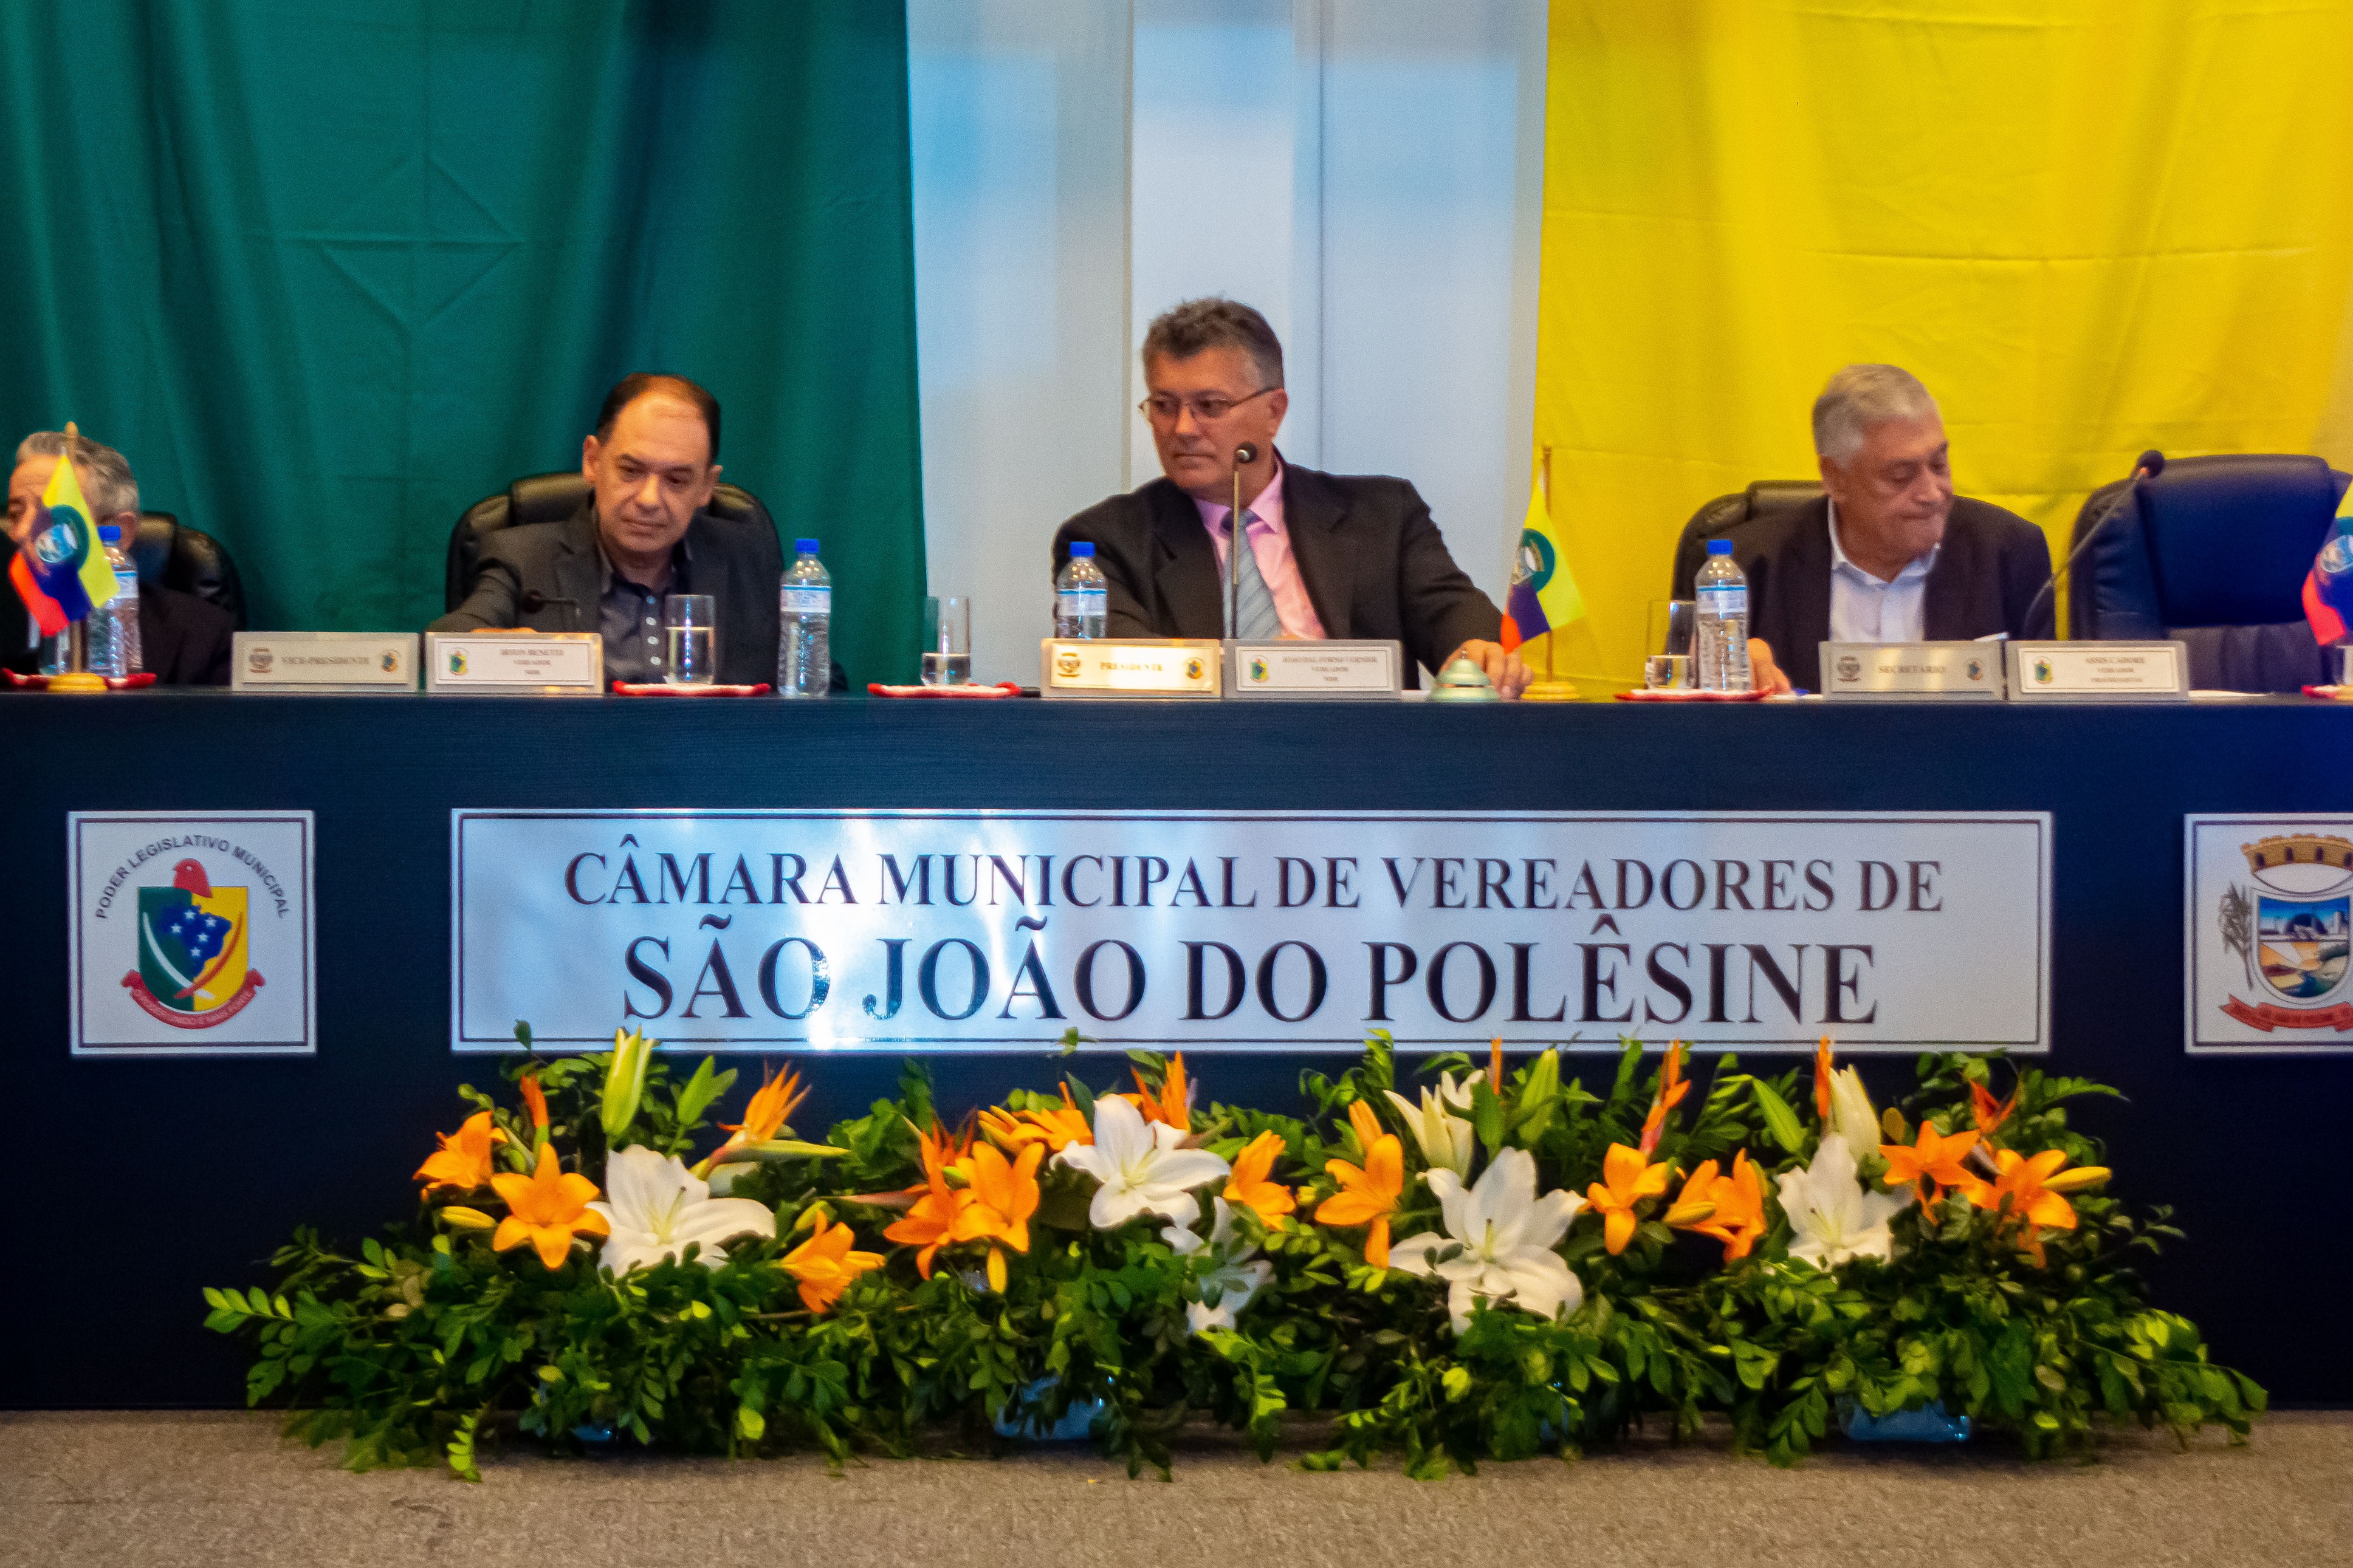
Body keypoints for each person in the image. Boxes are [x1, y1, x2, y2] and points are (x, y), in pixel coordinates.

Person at [1051, 298, 1527, 695]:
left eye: (1210, 406)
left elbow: (1454, 615)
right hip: (1199, 763)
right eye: (1164, 405)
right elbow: (1117, 667)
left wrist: (1478, 649)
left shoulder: (1383, 515)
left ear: (1273, 411)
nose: (1183, 428)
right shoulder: (1106, 541)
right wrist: (1264, 670)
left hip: (1362, 761)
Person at [433, 374, 825, 688]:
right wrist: (503, 650)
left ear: (707, 486)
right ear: (593, 461)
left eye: (676, 480)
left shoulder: (746, 557)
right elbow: (448, 642)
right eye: (631, 471)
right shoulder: (522, 556)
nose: (650, 499)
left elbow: (814, 685)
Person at [1711, 365, 2054, 693]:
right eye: (1901, 476)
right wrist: (1725, 671)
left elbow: (2042, 715)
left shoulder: (2010, 552)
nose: (1932, 494)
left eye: (1939, 465)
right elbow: (1697, 713)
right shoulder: (1743, 568)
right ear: (1835, 479)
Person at [5, 430, 234, 685]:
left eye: (51, 514)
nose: (22, 532)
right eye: (15, 514)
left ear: (119, 532)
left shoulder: (201, 636)